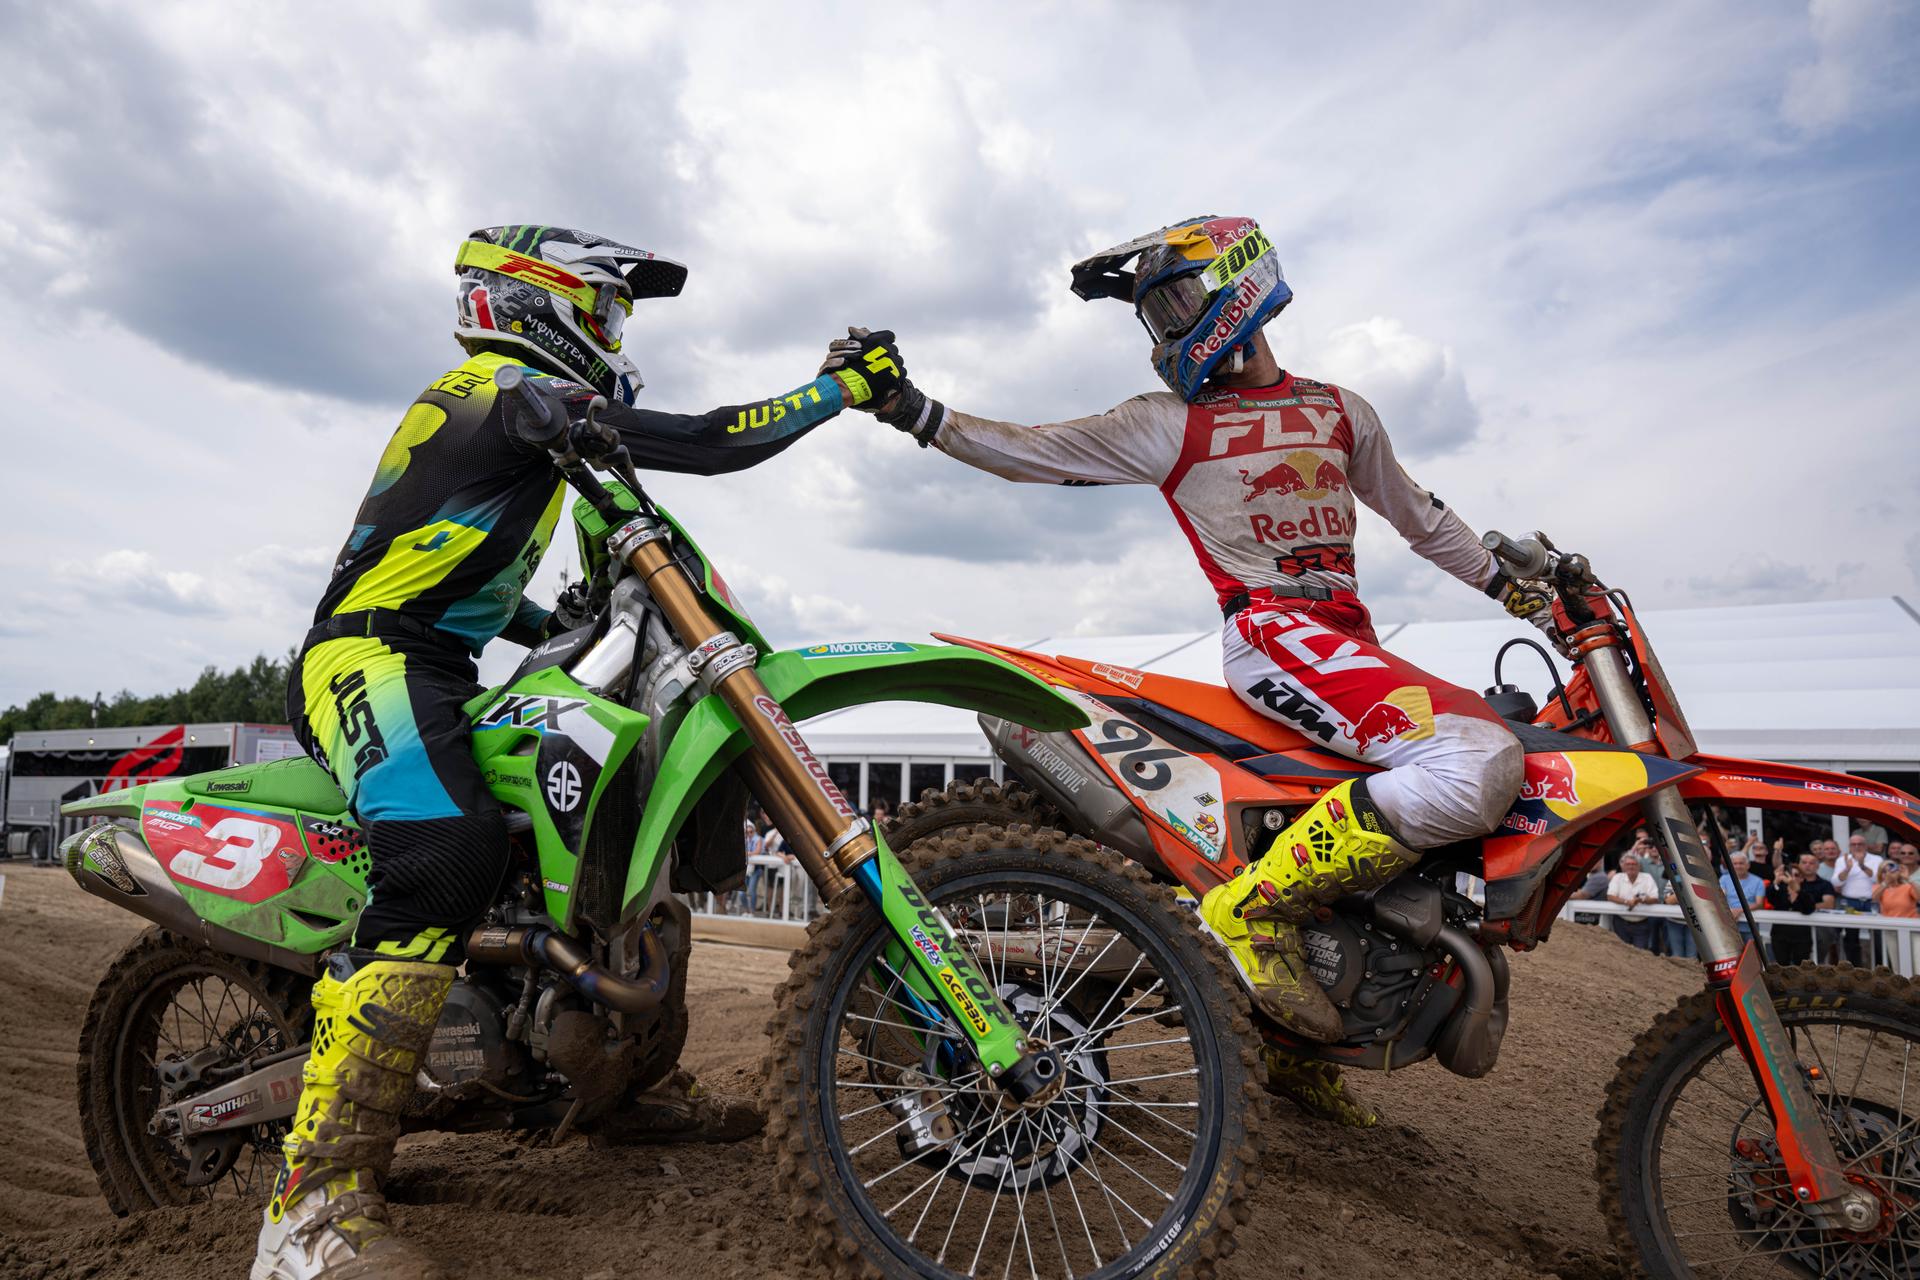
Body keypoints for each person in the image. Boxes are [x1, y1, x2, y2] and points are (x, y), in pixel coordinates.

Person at [254, 224, 907, 1280]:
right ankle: (311, 1203)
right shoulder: (492, 390)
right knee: (448, 853)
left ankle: (619, 1087)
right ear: (533, 302)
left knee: (633, 816)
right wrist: (837, 389)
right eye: (606, 309)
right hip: (364, 658)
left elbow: (472, 587)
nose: (613, 332)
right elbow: (703, 437)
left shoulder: (524, 434)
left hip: (437, 662)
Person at [846, 215, 1534, 1067]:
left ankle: (1308, 1030)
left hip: (1345, 641)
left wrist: (1516, 591)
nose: (1168, 329)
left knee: (1493, 755)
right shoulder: (1169, 421)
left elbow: (1421, 519)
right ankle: (1252, 910)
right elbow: (1032, 451)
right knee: (1476, 763)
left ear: (1240, 286)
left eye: (1176, 301)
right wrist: (915, 410)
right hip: (1273, 630)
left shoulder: (1341, 410)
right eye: (1155, 315)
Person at [1765, 859, 1821, 965]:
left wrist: (1798, 891)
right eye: (1790, 875)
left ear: (1802, 878)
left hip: (1801, 937)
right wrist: (1776, 881)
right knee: (1781, 967)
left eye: (1796, 875)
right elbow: (1770, 898)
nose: (1792, 878)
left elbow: (1808, 909)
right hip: (1780, 936)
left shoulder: (1807, 891)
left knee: (1801, 968)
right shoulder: (1779, 890)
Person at [1608, 852, 1662, 951]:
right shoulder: (1618, 877)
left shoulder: (1647, 877)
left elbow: (1655, 898)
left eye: (1634, 864)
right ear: (1623, 866)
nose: (1631, 867)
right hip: (1621, 921)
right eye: (1628, 864)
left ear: (1639, 866)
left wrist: (1642, 899)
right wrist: (1627, 902)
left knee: (1640, 952)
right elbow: (1610, 896)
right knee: (1621, 951)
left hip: (1641, 923)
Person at [1719, 852, 1767, 940]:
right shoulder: (1724, 879)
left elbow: (1759, 904)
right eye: (1735, 863)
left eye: (1741, 863)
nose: (1738, 866)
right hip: (1729, 925)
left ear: (1748, 865)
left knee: (1751, 953)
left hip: (1750, 927)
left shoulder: (1758, 881)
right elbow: (1721, 899)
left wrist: (1739, 910)